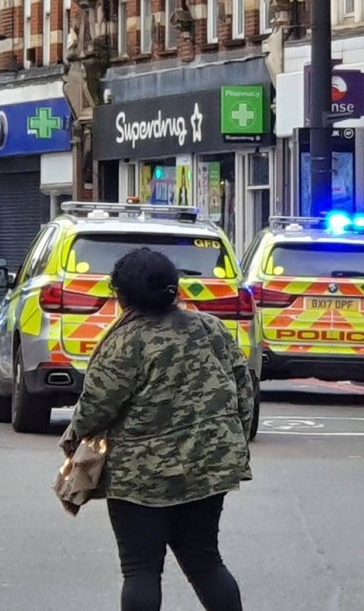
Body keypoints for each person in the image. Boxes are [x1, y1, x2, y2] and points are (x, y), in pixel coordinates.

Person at [66, 247, 254, 611]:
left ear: (121, 295)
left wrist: (74, 440)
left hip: (140, 475)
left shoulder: (124, 341)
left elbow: (95, 407)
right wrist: (229, 444)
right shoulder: (210, 328)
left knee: (140, 570)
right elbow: (243, 391)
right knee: (205, 562)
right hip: (207, 467)